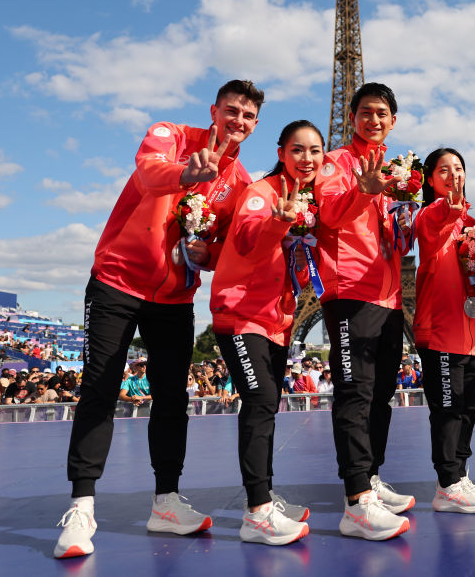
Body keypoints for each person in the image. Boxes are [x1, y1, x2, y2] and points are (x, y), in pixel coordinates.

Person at [54, 79, 263, 559]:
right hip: (117, 281)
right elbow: (149, 173)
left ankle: (165, 500)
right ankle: (82, 506)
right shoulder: (169, 134)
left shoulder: (243, 182)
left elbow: (223, 252)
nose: (238, 122)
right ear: (214, 110)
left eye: (248, 117)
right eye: (232, 111)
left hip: (174, 297)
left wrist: (205, 254)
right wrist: (186, 175)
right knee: (100, 387)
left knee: (172, 397)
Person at [209, 120, 331, 544]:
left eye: (316, 151)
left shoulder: (312, 200)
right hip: (241, 313)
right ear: (281, 152)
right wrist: (279, 222)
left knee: (268, 404)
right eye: (298, 150)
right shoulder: (262, 194)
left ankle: (264, 495)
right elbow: (244, 241)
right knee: (260, 401)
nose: (308, 159)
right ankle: (257, 511)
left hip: (276, 319)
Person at [314, 82, 413, 541]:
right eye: (366, 111)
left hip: (389, 293)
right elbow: (328, 214)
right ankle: (356, 500)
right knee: (355, 392)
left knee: (380, 394)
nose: (374, 119)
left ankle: (370, 477)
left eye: (383, 113)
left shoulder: (396, 170)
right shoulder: (337, 162)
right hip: (351, 287)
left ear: (393, 121)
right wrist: (362, 188)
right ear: (351, 116)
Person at [413, 147, 475, 513]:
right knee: (447, 410)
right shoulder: (430, 219)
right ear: (430, 180)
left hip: (470, 334)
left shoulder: (471, 226)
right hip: (441, 332)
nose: (453, 174)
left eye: (459, 168)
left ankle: (459, 475)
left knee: (468, 407)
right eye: (443, 170)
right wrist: (451, 206)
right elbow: (436, 218)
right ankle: (446, 484)